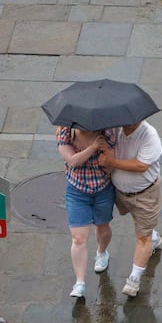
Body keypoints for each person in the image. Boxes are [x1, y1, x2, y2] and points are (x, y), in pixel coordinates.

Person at [99, 120, 162, 297]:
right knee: (143, 228)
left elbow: (141, 165)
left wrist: (112, 160)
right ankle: (153, 236)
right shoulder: (114, 130)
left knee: (142, 236)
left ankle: (133, 280)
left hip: (145, 195)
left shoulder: (149, 135)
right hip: (121, 193)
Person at [56, 126, 117, 298]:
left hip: (102, 189)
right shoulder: (66, 132)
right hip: (77, 191)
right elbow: (73, 161)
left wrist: (107, 159)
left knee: (103, 226)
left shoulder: (108, 133)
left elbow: (112, 167)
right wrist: (92, 148)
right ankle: (80, 282)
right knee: (78, 237)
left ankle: (102, 252)